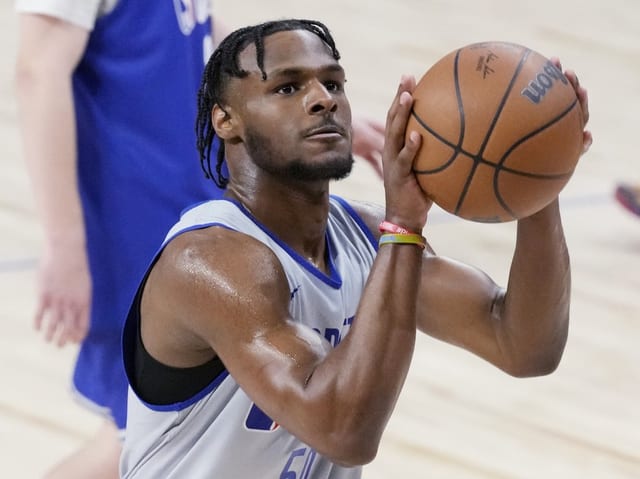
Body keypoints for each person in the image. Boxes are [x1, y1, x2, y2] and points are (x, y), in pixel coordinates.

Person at [119, 18, 591, 478]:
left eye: (334, 83)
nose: (323, 100)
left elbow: (523, 345)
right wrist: (404, 226)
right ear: (226, 120)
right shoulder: (210, 262)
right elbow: (343, 431)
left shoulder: (362, 236)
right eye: (288, 87)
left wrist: (538, 178)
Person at [13, 3, 386, 479]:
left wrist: (303, 115)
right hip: (132, 224)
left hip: (187, 200)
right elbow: (38, 70)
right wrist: (64, 244)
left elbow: (199, 32)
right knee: (151, 437)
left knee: (151, 434)